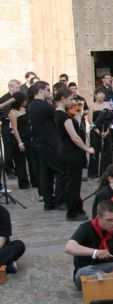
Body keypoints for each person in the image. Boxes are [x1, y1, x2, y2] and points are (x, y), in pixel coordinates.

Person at [56, 86, 94, 221]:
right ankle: (73, 211)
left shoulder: (60, 114)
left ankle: (75, 208)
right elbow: (75, 137)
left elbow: (75, 128)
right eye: (70, 99)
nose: (72, 101)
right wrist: (87, 149)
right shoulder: (63, 116)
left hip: (65, 151)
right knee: (73, 183)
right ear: (62, 99)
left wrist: (78, 113)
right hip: (71, 152)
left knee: (71, 182)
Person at [27, 81, 64, 210]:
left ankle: (48, 202)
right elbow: (58, 116)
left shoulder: (31, 105)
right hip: (48, 143)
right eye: (48, 90)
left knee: (46, 173)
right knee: (61, 172)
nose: (50, 92)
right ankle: (60, 201)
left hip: (39, 142)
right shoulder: (44, 106)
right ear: (41, 90)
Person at [87, 88, 113, 179]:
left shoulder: (108, 105)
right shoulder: (92, 106)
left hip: (106, 130)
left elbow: (111, 120)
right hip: (95, 131)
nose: (102, 95)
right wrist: (97, 131)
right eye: (99, 93)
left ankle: (106, 171)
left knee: (107, 151)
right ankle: (93, 172)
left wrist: (107, 131)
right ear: (95, 95)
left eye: (103, 93)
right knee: (95, 151)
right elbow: (90, 121)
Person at [8, 92, 33, 189]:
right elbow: (15, 129)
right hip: (20, 139)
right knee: (21, 163)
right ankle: (24, 184)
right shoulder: (12, 113)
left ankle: (34, 181)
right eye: (23, 100)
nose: (25, 102)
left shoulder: (25, 110)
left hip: (29, 138)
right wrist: (20, 143)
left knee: (32, 161)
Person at [0, 79, 21, 178]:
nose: (19, 89)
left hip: (18, 125)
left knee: (16, 148)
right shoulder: (3, 99)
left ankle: (18, 169)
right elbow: (2, 115)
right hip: (7, 125)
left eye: (19, 87)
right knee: (8, 149)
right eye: (17, 87)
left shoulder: (19, 98)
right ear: (10, 87)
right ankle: (9, 170)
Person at [0, 204, 25, 274]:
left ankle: (5, 262)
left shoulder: (3, 212)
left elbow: (2, 237)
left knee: (19, 245)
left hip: (1, 247)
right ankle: (7, 264)